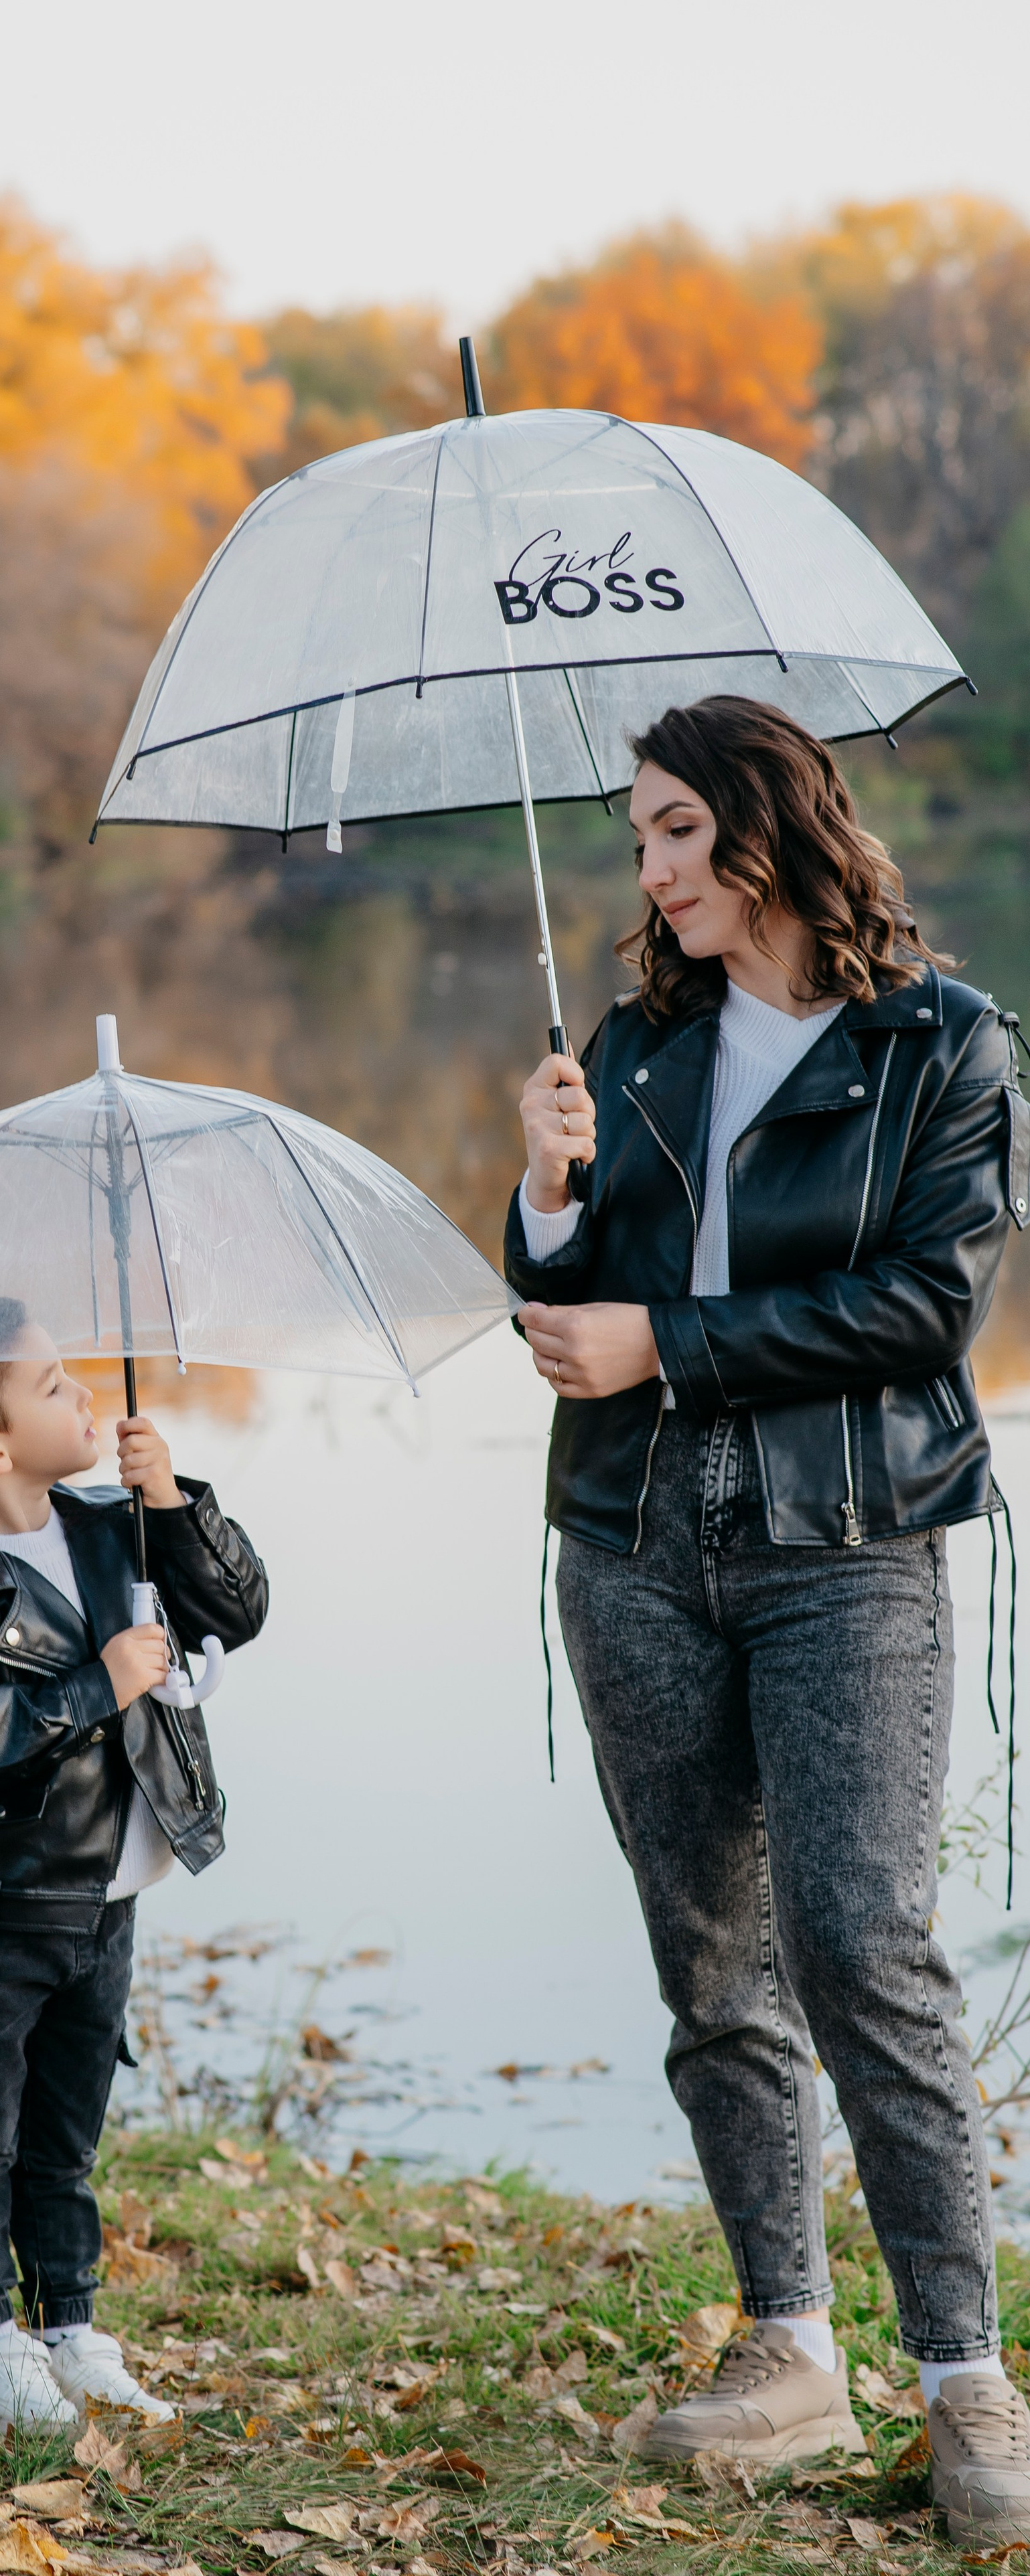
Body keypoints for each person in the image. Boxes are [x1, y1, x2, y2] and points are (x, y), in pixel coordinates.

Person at [506, 695, 1030, 2541]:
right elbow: (565, 1305)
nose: (649, 871)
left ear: (766, 823)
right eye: (635, 838)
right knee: (711, 1961)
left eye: (674, 830)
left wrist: (666, 1340)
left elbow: (924, 1308)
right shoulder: (636, 1041)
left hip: (849, 1543)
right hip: (632, 1541)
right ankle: (791, 2351)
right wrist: (547, 1195)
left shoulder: (941, 1041)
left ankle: (967, 2383)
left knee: (863, 1941)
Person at [0, 1293, 269, 2431]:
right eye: (52, 1386)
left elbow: (238, 1610)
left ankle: (68, 2328)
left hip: (103, 1900)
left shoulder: (111, 1527)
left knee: (65, 2132)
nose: (86, 1394)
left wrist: (171, 1501)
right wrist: (102, 1682)